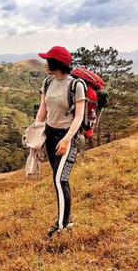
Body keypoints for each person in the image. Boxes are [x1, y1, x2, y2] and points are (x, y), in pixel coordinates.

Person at [35, 45, 86, 238]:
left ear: (56, 63)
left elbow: (79, 117)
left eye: (48, 59)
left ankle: (62, 225)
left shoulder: (76, 86)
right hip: (50, 134)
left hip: (67, 137)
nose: (45, 62)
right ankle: (66, 218)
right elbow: (43, 110)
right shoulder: (48, 82)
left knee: (60, 179)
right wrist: (35, 131)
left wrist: (66, 140)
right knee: (57, 178)